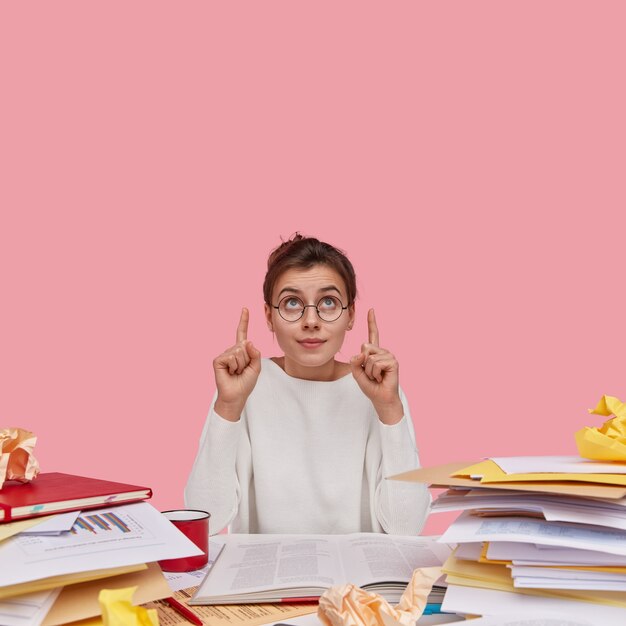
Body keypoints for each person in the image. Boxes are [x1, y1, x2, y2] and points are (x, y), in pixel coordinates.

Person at [185, 234, 430, 535]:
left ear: (350, 315)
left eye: (328, 302)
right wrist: (227, 406)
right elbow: (205, 518)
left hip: (357, 580)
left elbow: (407, 528)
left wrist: (389, 408)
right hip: (268, 578)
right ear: (269, 317)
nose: (311, 320)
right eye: (291, 303)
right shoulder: (244, 387)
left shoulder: (378, 390)